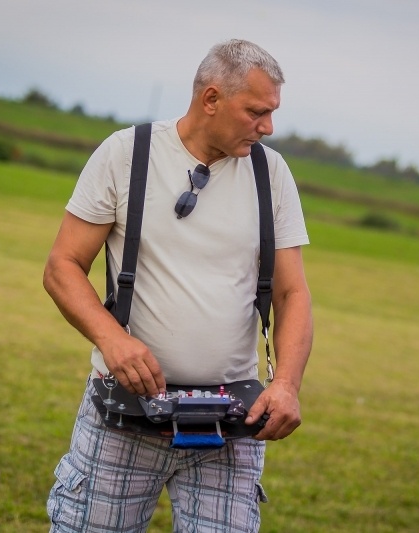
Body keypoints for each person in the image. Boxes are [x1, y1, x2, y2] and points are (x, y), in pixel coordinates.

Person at [43, 39, 313, 532]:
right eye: (256, 111)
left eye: (272, 113)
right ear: (211, 99)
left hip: (232, 427)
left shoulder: (270, 173)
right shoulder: (126, 153)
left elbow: (293, 293)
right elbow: (62, 266)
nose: (268, 127)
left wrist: (287, 384)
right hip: (123, 416)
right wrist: (112, 339)